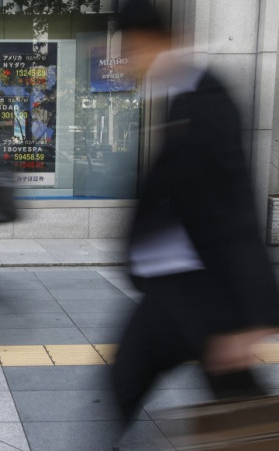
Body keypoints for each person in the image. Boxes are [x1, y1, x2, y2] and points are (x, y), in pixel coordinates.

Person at [112, 0, 279, 430]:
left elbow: (235, 204)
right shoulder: (173, 95)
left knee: (242, 413)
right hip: (173, 286)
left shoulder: (206, 97)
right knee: (124, 381)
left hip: (204, 290)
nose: (125, 63)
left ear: (151, 43)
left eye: (128, 50)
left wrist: (247, 318)